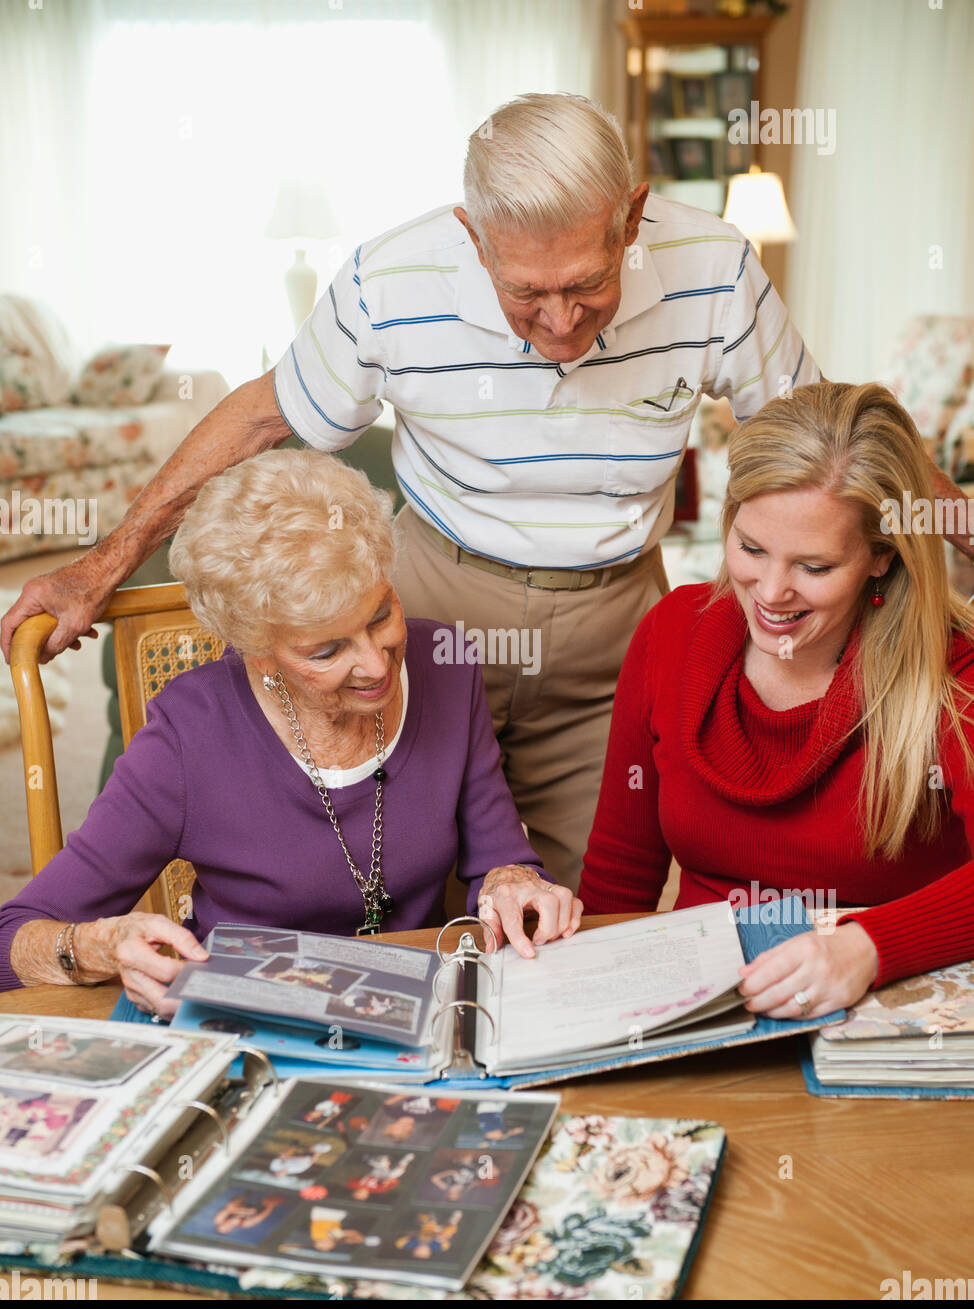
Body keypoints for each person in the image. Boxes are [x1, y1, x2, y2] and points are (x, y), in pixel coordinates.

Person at [1, 92, 830, 891]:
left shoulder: (713, 268)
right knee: (391, 887)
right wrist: (98, 567)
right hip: (430, 620)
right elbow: (262, 418)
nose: (560, 324)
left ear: (633, 214)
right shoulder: (391, 277)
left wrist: (939, 536)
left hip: (610, 631)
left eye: (586, 284)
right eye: (525, 293)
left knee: (574, 912)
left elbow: (822, 444)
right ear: (473, 236)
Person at [0, 450, 581, 1016]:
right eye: (326, 650)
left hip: (414, 1015)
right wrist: (96, 947)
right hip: (248, 1025)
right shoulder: (189, 735)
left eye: (380, 615)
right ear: (259, 654)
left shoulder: (445, 663)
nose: (378, 666)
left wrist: (514, 881)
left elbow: (499, 857)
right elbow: (12, 940)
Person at [580, 381, 974, 1019]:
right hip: (699, 1013)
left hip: (884, 1008)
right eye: (751, 548)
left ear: (882, 555)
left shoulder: (952, 673)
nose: (769, 592)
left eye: (814, 567)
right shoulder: (672, 632)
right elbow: (620, 874)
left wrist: (869, 947)